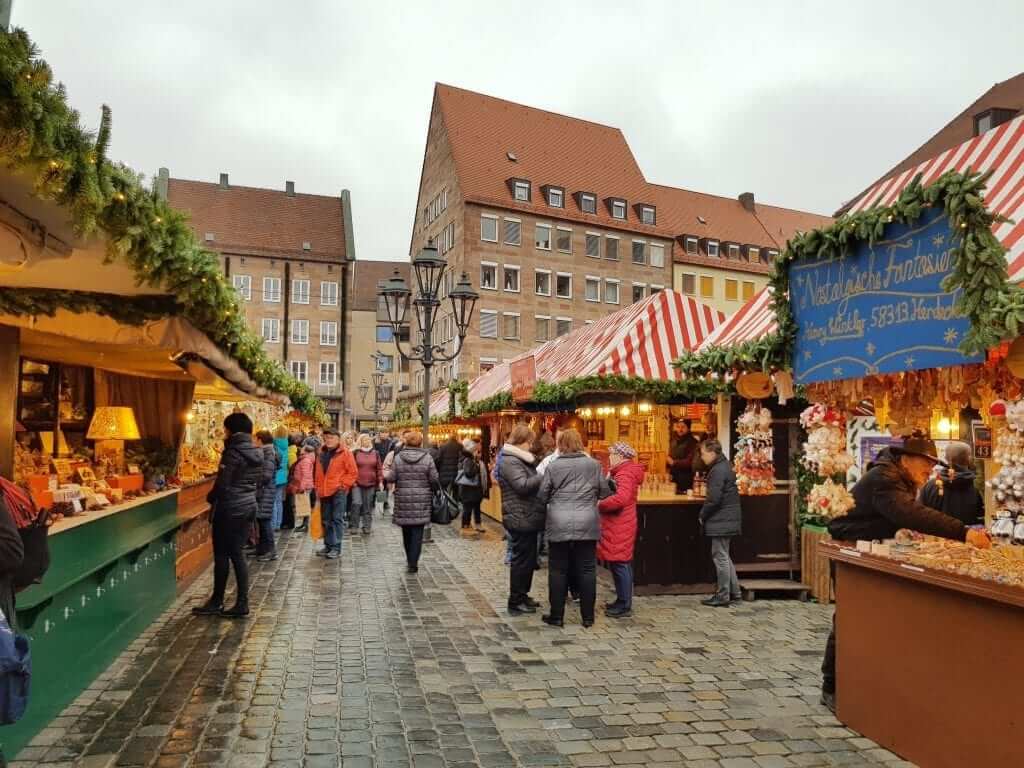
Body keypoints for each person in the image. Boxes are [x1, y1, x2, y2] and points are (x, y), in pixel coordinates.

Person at [820, 434, 972, 713]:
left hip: (868, 547)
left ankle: (863, 682)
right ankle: (831, 685)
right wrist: (962, 532)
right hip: (851, 549)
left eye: (933, 464)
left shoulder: (898, 477)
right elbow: (909, 513)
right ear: (906, 459)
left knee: (868, 617)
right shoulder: (885, 478)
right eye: (926, 462)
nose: (930, 469)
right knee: (850, 616)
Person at [537, 428, 614, 628]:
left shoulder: (553, 466)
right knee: (587, 570)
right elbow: (604, 492)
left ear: (561, 444)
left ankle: (557, 616)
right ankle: (588, 617)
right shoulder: (594, 465)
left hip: (559, 521)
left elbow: (542, 495)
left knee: (558, 570)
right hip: (586, 521)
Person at [194, 412, 263, 618]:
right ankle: (240, 601)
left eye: (225, 429)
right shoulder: (256, 451)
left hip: (230, 508)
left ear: (231, 430)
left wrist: (211, 497)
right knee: (238, 553)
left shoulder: (233, 452)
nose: (224, 432)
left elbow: (223, 484)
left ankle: (220, 601)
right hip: (247, 505)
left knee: (223, 554)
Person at [498, 425, 544, 615]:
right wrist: (542, 475)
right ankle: (515, 600)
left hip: (527, 515)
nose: (531, 446)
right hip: (519, 515)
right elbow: (522, 486)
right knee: (520, 560)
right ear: (522, 441)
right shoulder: (510, 461)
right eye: (529, 442)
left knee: (528, 559)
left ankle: (523, 595)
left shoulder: (520, 459)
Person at [598, 442, 645, 618]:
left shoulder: (625, 473)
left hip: (620, 523)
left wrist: (600, 504)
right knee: (619, 562)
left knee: (620, 563)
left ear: (620, 456)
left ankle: (624, 604)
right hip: (620, 523)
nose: (609, 458)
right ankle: (621, 600)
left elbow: (621, 499)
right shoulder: (623, 471)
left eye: (612, 455)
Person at [385, 431, 438, 573]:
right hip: (422, 499)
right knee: (417, 533)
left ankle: (410, 559)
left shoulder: (398, 458)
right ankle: (413, 563)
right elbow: (434, 479)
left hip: (403, 498)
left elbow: (391, 478)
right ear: (420, 443)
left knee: (406, 531)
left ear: (406, 442)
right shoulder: (427, 458)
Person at [697, 439, 742, 608]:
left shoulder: (717, 471)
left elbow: (713, 499)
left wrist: (703, 514)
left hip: (721, 518)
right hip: (728, 518)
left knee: (720, 556)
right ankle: (735, 592)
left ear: (712, 453)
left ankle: (723, 595)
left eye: (703, 454)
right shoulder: (725, 466)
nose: (702, 457)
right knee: (724, 555)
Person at [314, 428, 358, 560]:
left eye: (331, 438)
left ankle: (336, 547)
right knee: (326, 519)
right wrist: (317, 487)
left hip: (338, 491)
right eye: (326, 438)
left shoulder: (345, 453)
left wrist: (343, 485)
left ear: (338, 439)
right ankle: (328, 545)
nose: (328, 440)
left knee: (337, 519)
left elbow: (353, 472)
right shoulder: (321, 453)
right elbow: (317, 472)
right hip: (324, 491)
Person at [920, 441, 984, 525]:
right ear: (969, 459)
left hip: (936, 532)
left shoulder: (929, 486)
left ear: (946, 458)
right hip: (969, 533)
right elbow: (982, 517)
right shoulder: (978, 487)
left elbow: (921, 515)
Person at [254, 430, 281, 562]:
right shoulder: (268, 451)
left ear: (260, 440)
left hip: (265, 491)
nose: (253, 441)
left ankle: (271, 551)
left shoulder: (268, 453)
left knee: (265, 521)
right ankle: (263, 549)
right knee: (262, 520)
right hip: (266, 491)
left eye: (255, 439)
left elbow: (266, 475)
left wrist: (255, 482)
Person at [352, 433, 383, 534]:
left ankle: (367, 526)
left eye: (368, 439)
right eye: (365, 440)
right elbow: (351, 468)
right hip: (357, 483)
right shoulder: (356, 453)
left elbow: (379, 468)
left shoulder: (375, 453)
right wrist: (353, 481)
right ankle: (354, 525)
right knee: (356, 503)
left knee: (368, 505)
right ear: (360, 441)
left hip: (371, 483)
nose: (367, 441)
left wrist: (380, 481)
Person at [458, 439, 489, 532]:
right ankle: (466, 526)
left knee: (476, 508)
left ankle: (476, 524)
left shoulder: (473, 460)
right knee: (467, 509)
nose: (477, 452)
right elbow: (469, 473)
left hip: (474, 490)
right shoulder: (468, 460)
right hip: (469, 489)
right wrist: (477, 466)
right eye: (475, 450)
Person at [289, 444, 316, 533]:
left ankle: (305, 525)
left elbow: (305, 475)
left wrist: (302, 487)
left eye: (303, 448)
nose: (301, 449)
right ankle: (304, 524)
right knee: (304, 505)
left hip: (304, 486)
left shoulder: (306, 460)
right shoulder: (306, 459)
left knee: (304, 506)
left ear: (306, 451)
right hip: (304, 485)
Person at [667, 418, 699, 494]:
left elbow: (690, 462)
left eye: (683, 427)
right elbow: (670, 456)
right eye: (678, 427)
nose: (680, 429)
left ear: (688, 428)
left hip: (685, 480)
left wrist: (673, 462)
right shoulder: (674, 441)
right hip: (673, 479)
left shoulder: (693, 442)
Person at [271, 426, 289, 531]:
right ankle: (278, 523)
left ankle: (273, 524)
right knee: (279, 501)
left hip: (275, 475)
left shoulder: (274, 444)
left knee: (273, 501)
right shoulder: (286, 444)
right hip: (283, 476)